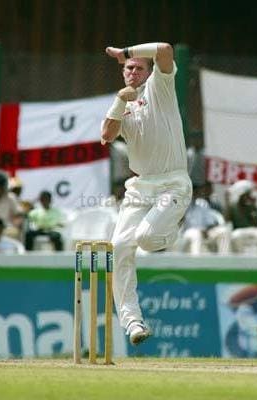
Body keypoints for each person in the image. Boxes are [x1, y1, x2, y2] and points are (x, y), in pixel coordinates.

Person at [101, 42, 192, 345]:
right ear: (123, 74)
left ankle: (171, 231)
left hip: (173, 183)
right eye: (129, 68)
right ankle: (133, 323)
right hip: (140, 187)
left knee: (146, 238)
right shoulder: (122, 102)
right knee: (120, 246)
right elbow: (107, 135)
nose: (133, 71)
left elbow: (165, 48)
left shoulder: (160, 86)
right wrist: (118, 102)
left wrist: (123, 53)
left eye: (139, 67)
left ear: (149, 70)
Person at [225, 180, 257, 254]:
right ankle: (239, 260)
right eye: (246, 194)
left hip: (253, 230)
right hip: (240, 231)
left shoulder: (251, 206)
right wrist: (228, 202)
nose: (249, 195)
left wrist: (253, 205)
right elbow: (226, 219)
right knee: (236, 236)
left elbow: (256, 223)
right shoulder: (233, 206)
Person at [0, 170, 24, 240]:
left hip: (6, 231)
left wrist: (17, 223)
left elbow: (19, 215)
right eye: (1, 187)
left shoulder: (10, 197)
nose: (3, 189)